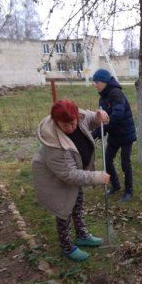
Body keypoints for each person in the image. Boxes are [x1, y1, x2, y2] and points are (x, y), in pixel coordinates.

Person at [32, 99, 110, 262]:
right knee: (64, 210)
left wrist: (98, 116)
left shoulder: (78, 117)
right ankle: (66, 245)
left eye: (73, 123)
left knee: (78, 203)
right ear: (56, 122)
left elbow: (89, 118)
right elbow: (70, 175)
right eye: (65, 125)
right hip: (55, 179)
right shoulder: (53, 143)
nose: (70, 128)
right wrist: (97, 176)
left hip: (75, 170)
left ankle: (82, 235)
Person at [91, 68, 137, 202]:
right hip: (114, 134)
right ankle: (116, 185)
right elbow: (104, 120)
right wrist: (95, 133)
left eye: (97, 81)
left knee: (125, 163)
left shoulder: (116, 93)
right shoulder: (102, 99)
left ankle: (129, 191)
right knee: (108, 160)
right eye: (94, 82)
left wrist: (100, 131)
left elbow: (117, 114)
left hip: (126, 133)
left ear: (105, 82)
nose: (94, 84)